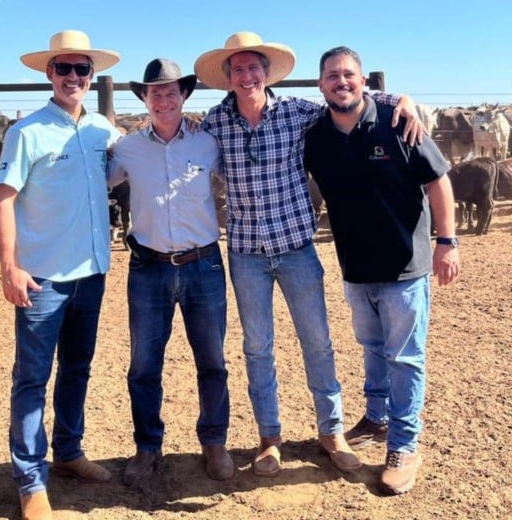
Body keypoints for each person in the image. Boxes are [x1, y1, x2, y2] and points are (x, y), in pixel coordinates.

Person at [193, 32, 424, 477]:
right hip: (246, 253)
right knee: (258, 348)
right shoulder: (213, 123)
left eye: (253, 67)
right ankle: (269, 437)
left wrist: (401, 99)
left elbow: (349, 97)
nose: (246, 76)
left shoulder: (298, 112)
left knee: (317, 343)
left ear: (266, 71)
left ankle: (331, 431)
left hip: (296, 246)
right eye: (236, 69)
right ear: (228, 78)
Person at [303, 46, 460, 495]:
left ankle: (404, 443)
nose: (341, 82)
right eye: (332, 76)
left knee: (406, 356)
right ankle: (377, 417)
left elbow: (438, 182)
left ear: (363, 80)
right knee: (371, 346)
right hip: (355, 266)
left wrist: (447, 242)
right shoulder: (316, 137)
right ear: (321, 85)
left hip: (405, 266)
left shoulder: (398, 123)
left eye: (349, 74)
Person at [0, 29, 122, 520]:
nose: (73, 77)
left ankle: (68, 451)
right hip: (42, 276)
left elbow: (135, 158)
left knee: (78, 368)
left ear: (92, 76)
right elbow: (2, 199)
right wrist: (9, 265)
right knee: (32, 377)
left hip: (90, 272)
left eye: (81, 69)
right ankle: (30, 479)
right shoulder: (26, 132)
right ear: (49, 74)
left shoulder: (102, 131)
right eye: (63, 68)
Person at [107, 58, 233, 485]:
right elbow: (92, 184)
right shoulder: (125, 149)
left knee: (212, 360)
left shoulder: (208, 141)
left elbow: (240, 170)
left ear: (184, 97)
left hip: (204, 264)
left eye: (171, 91)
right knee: (143, 365)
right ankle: (147, 446)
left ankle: (214, 441)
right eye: (155, 92)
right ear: (144, 98)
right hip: (149, 267)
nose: (163, 99)